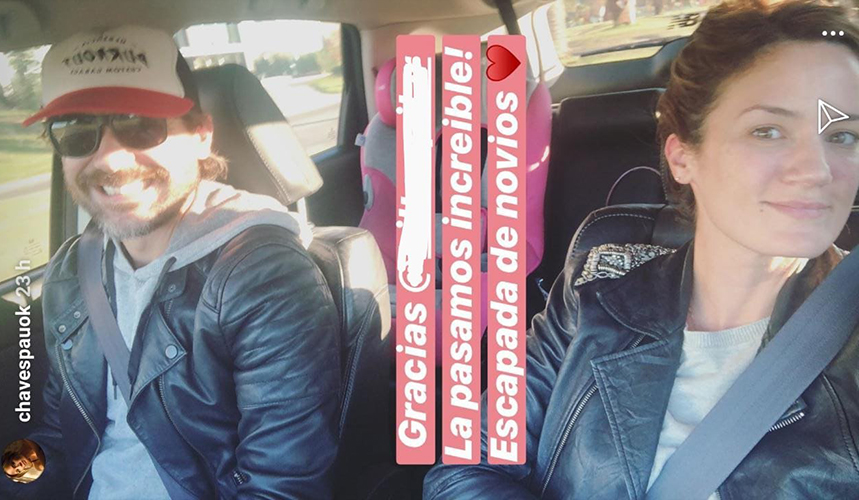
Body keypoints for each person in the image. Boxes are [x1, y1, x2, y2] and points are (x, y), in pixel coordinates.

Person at [424, 0, 859, 498]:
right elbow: (466, 467)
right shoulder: (594, 290)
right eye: (768, 131)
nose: (817, 170)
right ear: (683, 156)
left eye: (843, 135)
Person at [1, 25, 341, 499]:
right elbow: (57, 437)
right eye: (76, 131)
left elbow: (282, 486)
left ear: (201, 135)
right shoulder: (72, 271)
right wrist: (13, 475)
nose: (111, 159)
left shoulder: (264, 275)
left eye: (140, 124)